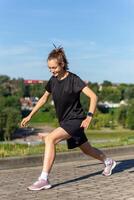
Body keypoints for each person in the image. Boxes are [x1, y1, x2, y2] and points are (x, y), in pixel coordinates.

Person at [21, 46, 116, 191]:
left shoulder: (74, 79)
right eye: (49, 68)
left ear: (62, 64)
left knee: (50, 139)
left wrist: (89, 117)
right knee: (87, 149)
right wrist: (30, 115)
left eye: (54, 67)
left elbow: (93, 96)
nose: (51, 70)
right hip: (65, 121)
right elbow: (43, 99)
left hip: (76, 120)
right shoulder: (53, 80)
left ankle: (43, 179)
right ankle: (108, 161)